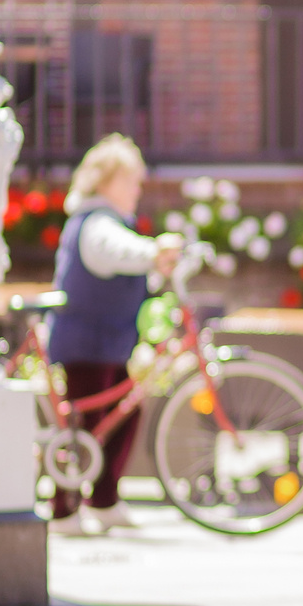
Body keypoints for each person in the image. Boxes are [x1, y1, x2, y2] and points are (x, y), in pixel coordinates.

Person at [48, 135, 182, 534]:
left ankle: (103, 499)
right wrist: (152, 252)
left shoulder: (107, 220)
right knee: (84, 424)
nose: (137, 191)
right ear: (106, 181)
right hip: (86, 342)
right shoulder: (96, 223)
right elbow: (117, 250)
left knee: (124, 411)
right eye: (131, 182)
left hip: (107, 341)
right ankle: (64, 508)